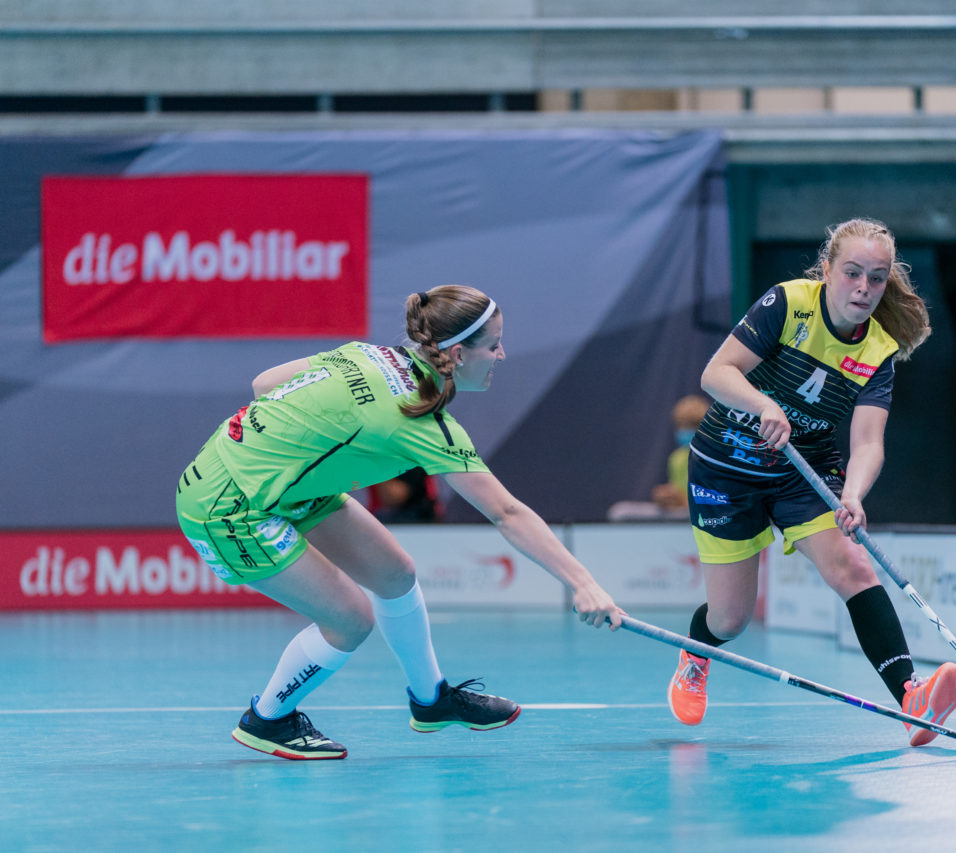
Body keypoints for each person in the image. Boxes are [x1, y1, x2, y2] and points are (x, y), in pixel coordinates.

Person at [176, 285, 624, 760]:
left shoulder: (366, 354)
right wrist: (583, 584)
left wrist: (303, 440)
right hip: (230, 506)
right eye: (493, 345)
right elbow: (506, 512)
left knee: (395, 574)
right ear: (457, 354)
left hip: (274, 480)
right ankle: (268, 719)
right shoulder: (421, 423)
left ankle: (431, 700)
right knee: (350, 619)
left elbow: (264, 384)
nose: (501, 355)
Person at [666, 217, 956, 746]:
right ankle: (695, 656)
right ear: (827, 270)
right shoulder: (788, 305)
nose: (864, 288)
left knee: (854, 567)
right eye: (852, 273)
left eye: (876, 278)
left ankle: (911, 698)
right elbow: (716, 373)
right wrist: (763, 405)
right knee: (730, 620)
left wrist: (852, 494)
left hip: (802, 469)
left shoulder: (877, 351)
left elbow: (868, 442)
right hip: (726, 466)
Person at [650, 394, 712, 512]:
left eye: (691, 425)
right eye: (681, 425)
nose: (685, 430)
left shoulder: (715, 457)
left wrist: (683, 501)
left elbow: (720, 503)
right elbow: (677, 493)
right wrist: (668, 497)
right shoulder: (676, 458)